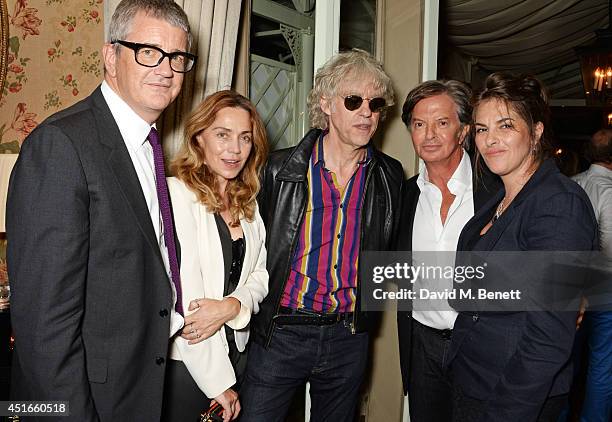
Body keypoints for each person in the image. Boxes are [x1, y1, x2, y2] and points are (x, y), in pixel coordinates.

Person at [6, 1, 195, 420]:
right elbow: (44, 328)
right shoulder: (59, 145)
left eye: (178, 57)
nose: (166, 69)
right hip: (83, 400)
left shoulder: (148, 145)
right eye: (148, 51)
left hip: (137, 385)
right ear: (111, 57)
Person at [239, 49, 403, 422]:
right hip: (282, 332)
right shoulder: (278, 170)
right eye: (353, 100)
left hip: (349, 335)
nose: (367, 112)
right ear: (326, 104)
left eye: (376, 104)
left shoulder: (388, 175)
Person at [448, 72, 598, 422]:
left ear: (536, 132)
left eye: (505, 126)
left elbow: (548, 337)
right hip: (472, 379)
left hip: (511, 397)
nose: (490, 140)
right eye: (482, 129)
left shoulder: (558, 203)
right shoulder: (500, 198)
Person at [161, 90, 269, 422]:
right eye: (222, 135)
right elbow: (187, 303)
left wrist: (233, 306)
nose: (235, 149)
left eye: (244, 138)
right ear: (199, 138)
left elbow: (260, 276)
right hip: (192, 363)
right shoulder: (177, 195)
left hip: (238, 351)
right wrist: (218, 384)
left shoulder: (247, 202)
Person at [396, 80, 499, 422]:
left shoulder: (496, 191)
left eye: (442, 123)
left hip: (480, 344)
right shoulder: (404, 195)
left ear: (464, 130)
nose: (429, 135)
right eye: (419, 124)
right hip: (422, 346)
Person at [571, 128, 612, 422]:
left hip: (568, 286)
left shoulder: (571, 184)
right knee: (602, 365)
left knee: (564, 363)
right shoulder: (610, 192)